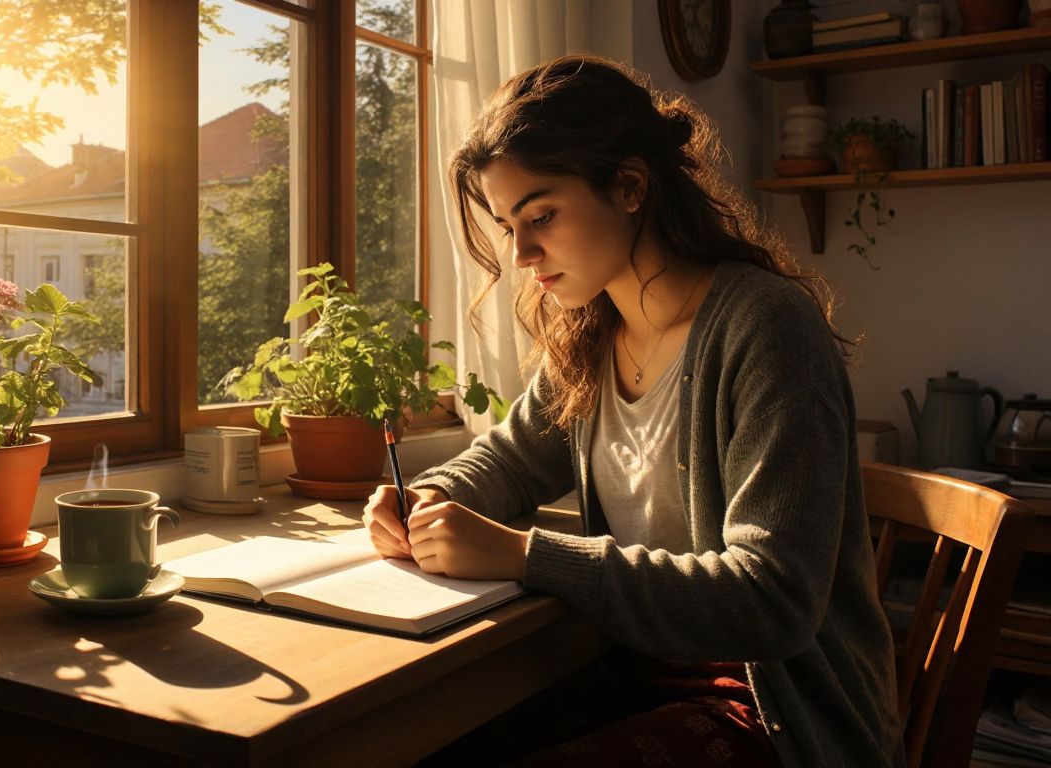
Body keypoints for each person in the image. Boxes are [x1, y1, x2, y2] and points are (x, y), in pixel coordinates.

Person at [361, 55, 903, 767]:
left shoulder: (768, 331)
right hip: (633, 678)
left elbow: (772, 601)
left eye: (542, 215)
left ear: (629, 186)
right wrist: (431, 498)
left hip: (776, 715)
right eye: (506, 226)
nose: (522, 253)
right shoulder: (592, 333)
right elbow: (509, 459)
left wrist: (525, 554)